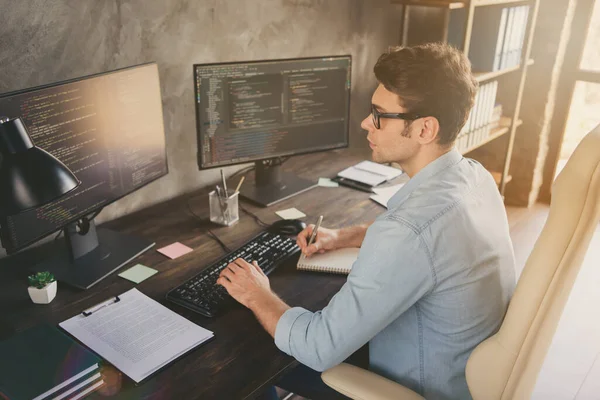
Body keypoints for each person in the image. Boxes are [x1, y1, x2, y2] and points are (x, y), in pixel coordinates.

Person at [217, 42, 516, 400]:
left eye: (379, 114)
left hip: (415, 389)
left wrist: (257, 294)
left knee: (254, 353)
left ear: (424, 130)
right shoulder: (474, 177)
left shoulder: (407, 231)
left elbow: (318, 347)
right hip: (462, 374)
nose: (365, 123)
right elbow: (433, 241)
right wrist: (347, 235)